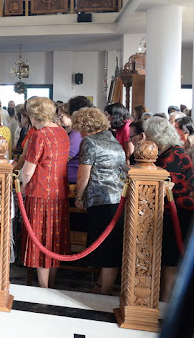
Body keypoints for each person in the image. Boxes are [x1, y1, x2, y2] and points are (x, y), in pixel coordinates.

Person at [72, 107, 127, 295]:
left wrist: (79, 196)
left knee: (105, 249)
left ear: (86, 125)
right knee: (111, 245)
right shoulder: (113, 140)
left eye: (79, 128)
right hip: (118, 199)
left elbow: (83, 175)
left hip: (100, 199)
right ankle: (100, 286)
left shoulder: (89, 142)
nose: (79, 132)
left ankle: (105, 291)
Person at [19, 97, 70, 288]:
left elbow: (27, 171)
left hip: (40, 192)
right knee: (53, 238)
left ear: (34, 115)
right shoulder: (62, 132)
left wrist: (21, 185)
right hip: (59, 193)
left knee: (41, 239)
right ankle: (51, 282)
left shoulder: (39, 135)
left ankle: (43, 287)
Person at [143, 116, 194, 301]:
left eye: (148, 135)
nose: (145, 139)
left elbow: (164, 188)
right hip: (167, 211)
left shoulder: (173, 156)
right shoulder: (168, 152)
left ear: (157, 136)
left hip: (176, 212)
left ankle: (166, 299)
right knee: (166, 256)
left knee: (171, 258)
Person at [57, 103, 82, 184]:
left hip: (73, 175)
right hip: (66, 173)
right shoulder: (68, 130)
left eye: (61, 116)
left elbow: (68, 155)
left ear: (70, 115)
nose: (59, 119)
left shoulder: (76, 133)